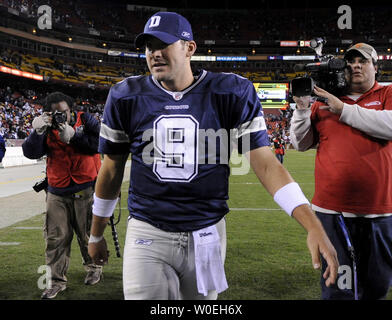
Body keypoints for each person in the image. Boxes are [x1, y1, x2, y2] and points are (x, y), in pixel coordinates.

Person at [88, 11, 338, 300]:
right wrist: (96, 234)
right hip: (148, 229)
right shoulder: (126, 95)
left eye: (163, 44)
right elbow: (110, 172)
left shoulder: (230, 91)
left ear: (189, 48)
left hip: (206, 233)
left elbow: (266, 165)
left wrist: (311, 224)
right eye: (148, 47)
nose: (155, 53)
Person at [290, 43, 392, 300]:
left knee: (377, 288)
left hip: (380, 211)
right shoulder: (324, 100)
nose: (355, 66)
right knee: (338, 289)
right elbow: (300, 144)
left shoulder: (388, 93)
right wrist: (302, 109)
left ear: (375, 68)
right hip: (332, 212)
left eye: (362, 61)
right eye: (350, 62)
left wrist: (343, 109)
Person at [22, 92, 102, 299]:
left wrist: (75, 136)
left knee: (87, 235)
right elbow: (30, 153)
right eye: (56, 113)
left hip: (85, 187)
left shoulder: (86, 119)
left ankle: (94, 269)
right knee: (55, 238)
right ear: (48, 113)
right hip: (57, 189)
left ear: (71, 110)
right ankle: (56, 281)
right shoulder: (46, 126)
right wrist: (37, 132)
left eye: (64, 112)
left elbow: (100, 144)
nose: (61, 116)